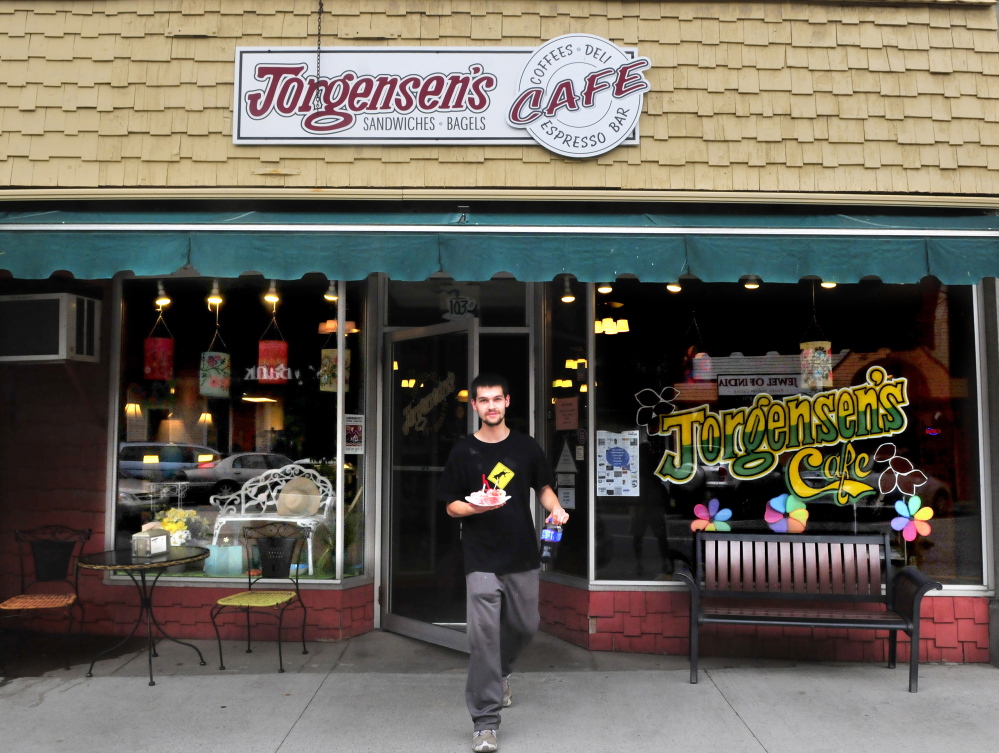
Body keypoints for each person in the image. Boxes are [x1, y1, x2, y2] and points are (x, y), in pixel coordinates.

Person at [437, 373, 570, 753]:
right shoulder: (463, 451)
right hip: (479, 556)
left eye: (498, 399)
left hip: (522, 553)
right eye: (484, 400)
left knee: (527, 626)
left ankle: (502, 672)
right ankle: (485, 723)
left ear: (507, 402)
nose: (491, 406)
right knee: (482, 640)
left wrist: (556, 509)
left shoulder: (525, 447)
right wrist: (476, 505)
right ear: (474, 406)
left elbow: (542, 487)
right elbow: (450, 505)